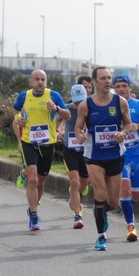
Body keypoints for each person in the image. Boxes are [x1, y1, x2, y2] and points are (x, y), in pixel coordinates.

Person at [74, 66, 132, 250]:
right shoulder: (85, 105)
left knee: (113, 201)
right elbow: (77, 128)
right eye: (103, 78)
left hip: (115, 154)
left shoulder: (120, 102)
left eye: (109, 77)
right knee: (99, 192)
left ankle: (100, 211)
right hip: (94, 155)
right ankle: (101, 236)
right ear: (94, 82)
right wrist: (80, 135)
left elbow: (129, 124)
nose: (108, 81)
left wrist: (122, 133)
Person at [12, 69, 70, 231]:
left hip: (48, 143)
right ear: (31, 81)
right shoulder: (24, 96)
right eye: (37, 79)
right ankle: (34, 214)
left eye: (43, 79)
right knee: (33, 179)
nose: (40, 82)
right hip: (29, 142)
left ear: (46, 81)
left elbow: (68, 116)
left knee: (41, 180)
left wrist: (57, 108)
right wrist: (19, 119)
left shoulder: (54, 95)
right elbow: (15, 110)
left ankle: (32, 205)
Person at [113, 73, 139, 242]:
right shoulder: (109, 106)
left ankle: (122, 204)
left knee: (135, 195)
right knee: (125, 188)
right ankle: (131, 226)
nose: (121, 89)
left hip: (138, 156)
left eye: (124, 86)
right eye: (117, 86)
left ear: (130, 87)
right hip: (121, 155)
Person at [60, 83, 90, 229]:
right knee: (74, 181)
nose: (79, 105)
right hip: (70, 149)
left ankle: (74, 195)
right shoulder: (66, 109)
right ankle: (78, 216)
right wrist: (58, 131)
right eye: (76, 102)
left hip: (86, 151)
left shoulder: (91, 107)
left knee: (84, 183)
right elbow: (56, 119)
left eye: (81, 101)